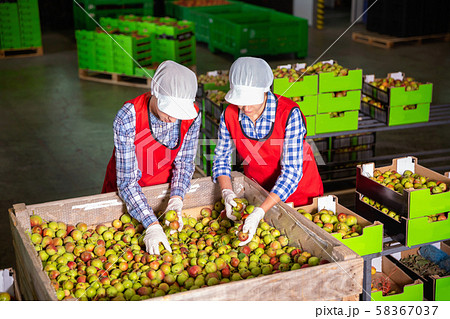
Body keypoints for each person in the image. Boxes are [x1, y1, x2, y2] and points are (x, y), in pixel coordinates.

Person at [212, 57, 323, 245]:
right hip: (259, 193)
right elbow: (221, 158)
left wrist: (260, 212)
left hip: (300, 198)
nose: (246, 108)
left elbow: (291, 173)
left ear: (265, 91)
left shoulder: (289, 114)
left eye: (251, 102)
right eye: (241, 102)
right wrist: (227, 193)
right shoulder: (229, 114)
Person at [101, 61, 201, 255]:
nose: (173, 119)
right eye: (169, 110)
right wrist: (152, 225)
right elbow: (127, 182)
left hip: (163, 191)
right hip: (125, 195)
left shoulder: (193, 115)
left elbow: (184, 162)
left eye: (178, 113)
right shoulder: (129, 117)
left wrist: (176, 198)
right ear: (156, 92)